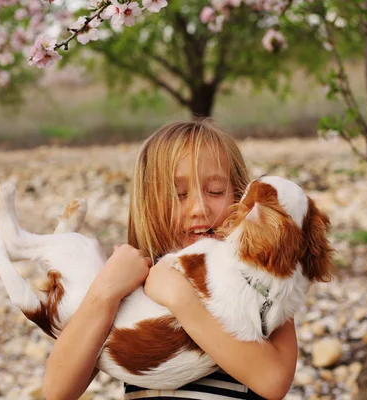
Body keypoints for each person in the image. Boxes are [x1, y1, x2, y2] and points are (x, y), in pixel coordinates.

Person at [42, 120, 298, 400]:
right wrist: (106, 291)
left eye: (214, 190)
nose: (199, 208)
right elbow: (58, 391)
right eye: (179, 195)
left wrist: (181, 299)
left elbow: (273, 381)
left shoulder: (257, 279)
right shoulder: (131, 285)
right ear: (148, 204)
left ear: (240, 195)